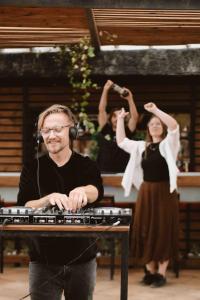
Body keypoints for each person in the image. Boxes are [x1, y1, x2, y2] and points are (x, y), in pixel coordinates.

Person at [17, 104, 104, 300]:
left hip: (83, 260)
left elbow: (95, 191)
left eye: (57, 129)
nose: (51, 135)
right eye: (46, 131)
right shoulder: (32, 168)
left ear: (72, 130)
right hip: (42, 261)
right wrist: (47, 199)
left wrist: (83, 191)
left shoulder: (86, 165)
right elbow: (25, 204)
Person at [116, 102, 180, 287]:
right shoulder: (141, 146)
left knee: (163, 230)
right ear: (148, 128)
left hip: (164, 193)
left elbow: (174, 126)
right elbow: (121, 142)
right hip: (146, 193)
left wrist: (155, 111)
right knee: (145, 229)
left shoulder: (169, 144)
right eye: (152, 123)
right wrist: (121, 119)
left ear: (162, 128)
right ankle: (150, 271)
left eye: (158, 123)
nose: (155, 125)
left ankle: (161, 274)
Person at [97, 79, 138, 173]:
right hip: (104, 172)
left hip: (124, 173)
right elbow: (102, 110)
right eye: (114, 116)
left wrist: (130, 99)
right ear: (110, 118)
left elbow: (135, 117)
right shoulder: (105, 129)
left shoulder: (127, 131)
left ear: (123, 117)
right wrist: (105, 89)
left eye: (119, 115)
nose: (116, 118)